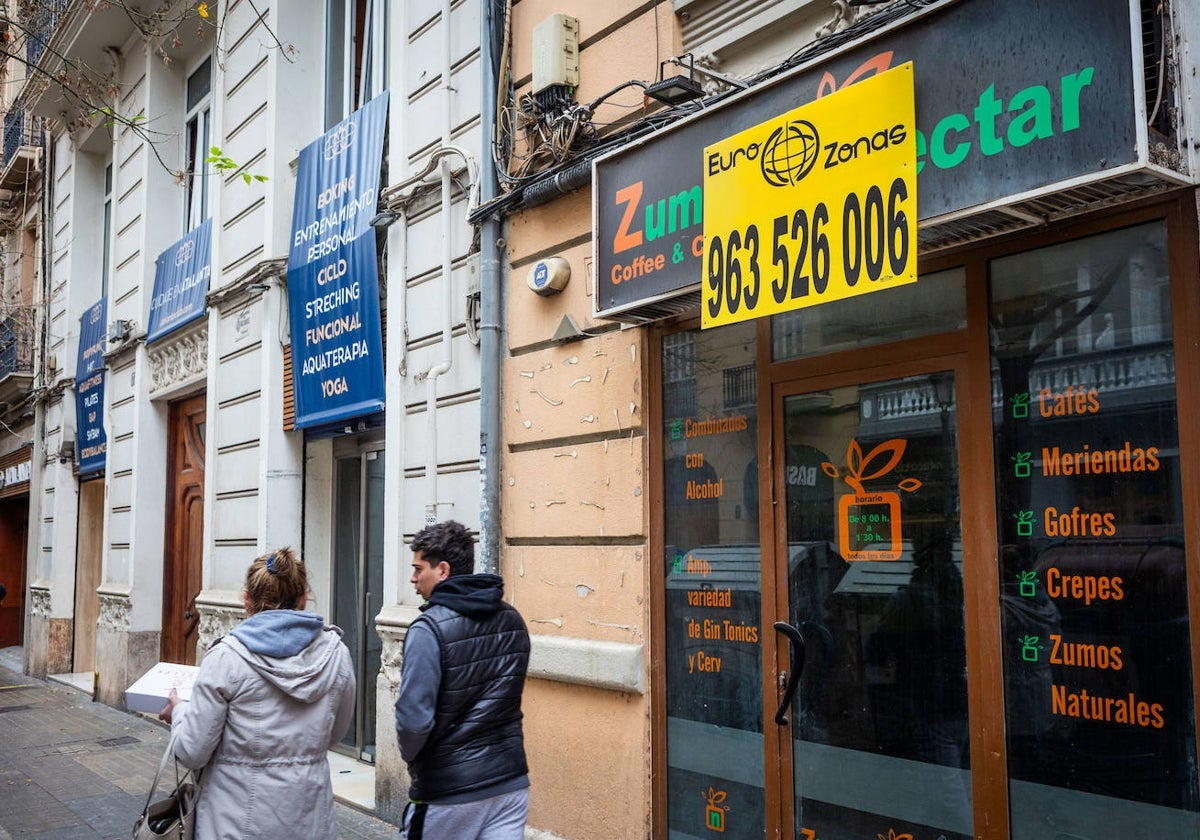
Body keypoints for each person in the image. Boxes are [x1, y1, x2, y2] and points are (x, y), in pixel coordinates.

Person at [158, 547, 355, 839]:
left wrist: (179, 711)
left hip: (235, 823)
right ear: (303, 599)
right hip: (309, 822)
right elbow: (334, 734)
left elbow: (192, 751)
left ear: (247, 601)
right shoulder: (336, 654)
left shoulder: (226, 658)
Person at [396, 520, 531, 839]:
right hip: (510, 785)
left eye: (418, 569)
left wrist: (415, 758)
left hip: (448, 792)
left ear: (442, 570)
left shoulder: (427, 629)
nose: (413, 579)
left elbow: (413, 722)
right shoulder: (512, 618)